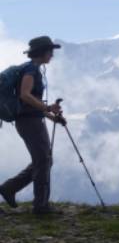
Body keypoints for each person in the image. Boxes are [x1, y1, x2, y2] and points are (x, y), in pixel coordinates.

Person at [0, 36, 65, 215]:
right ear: (43, 52)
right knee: (43, 161)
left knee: (43, 160)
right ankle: (41, 206)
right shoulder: (31, 70)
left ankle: (10, 188)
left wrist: (53, 117)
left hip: (29, 120)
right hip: (30, 123)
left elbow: (29, 104)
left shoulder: (31, 69)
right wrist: (48, 107)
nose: (52, 55)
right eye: (50, 51)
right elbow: (25, 95)